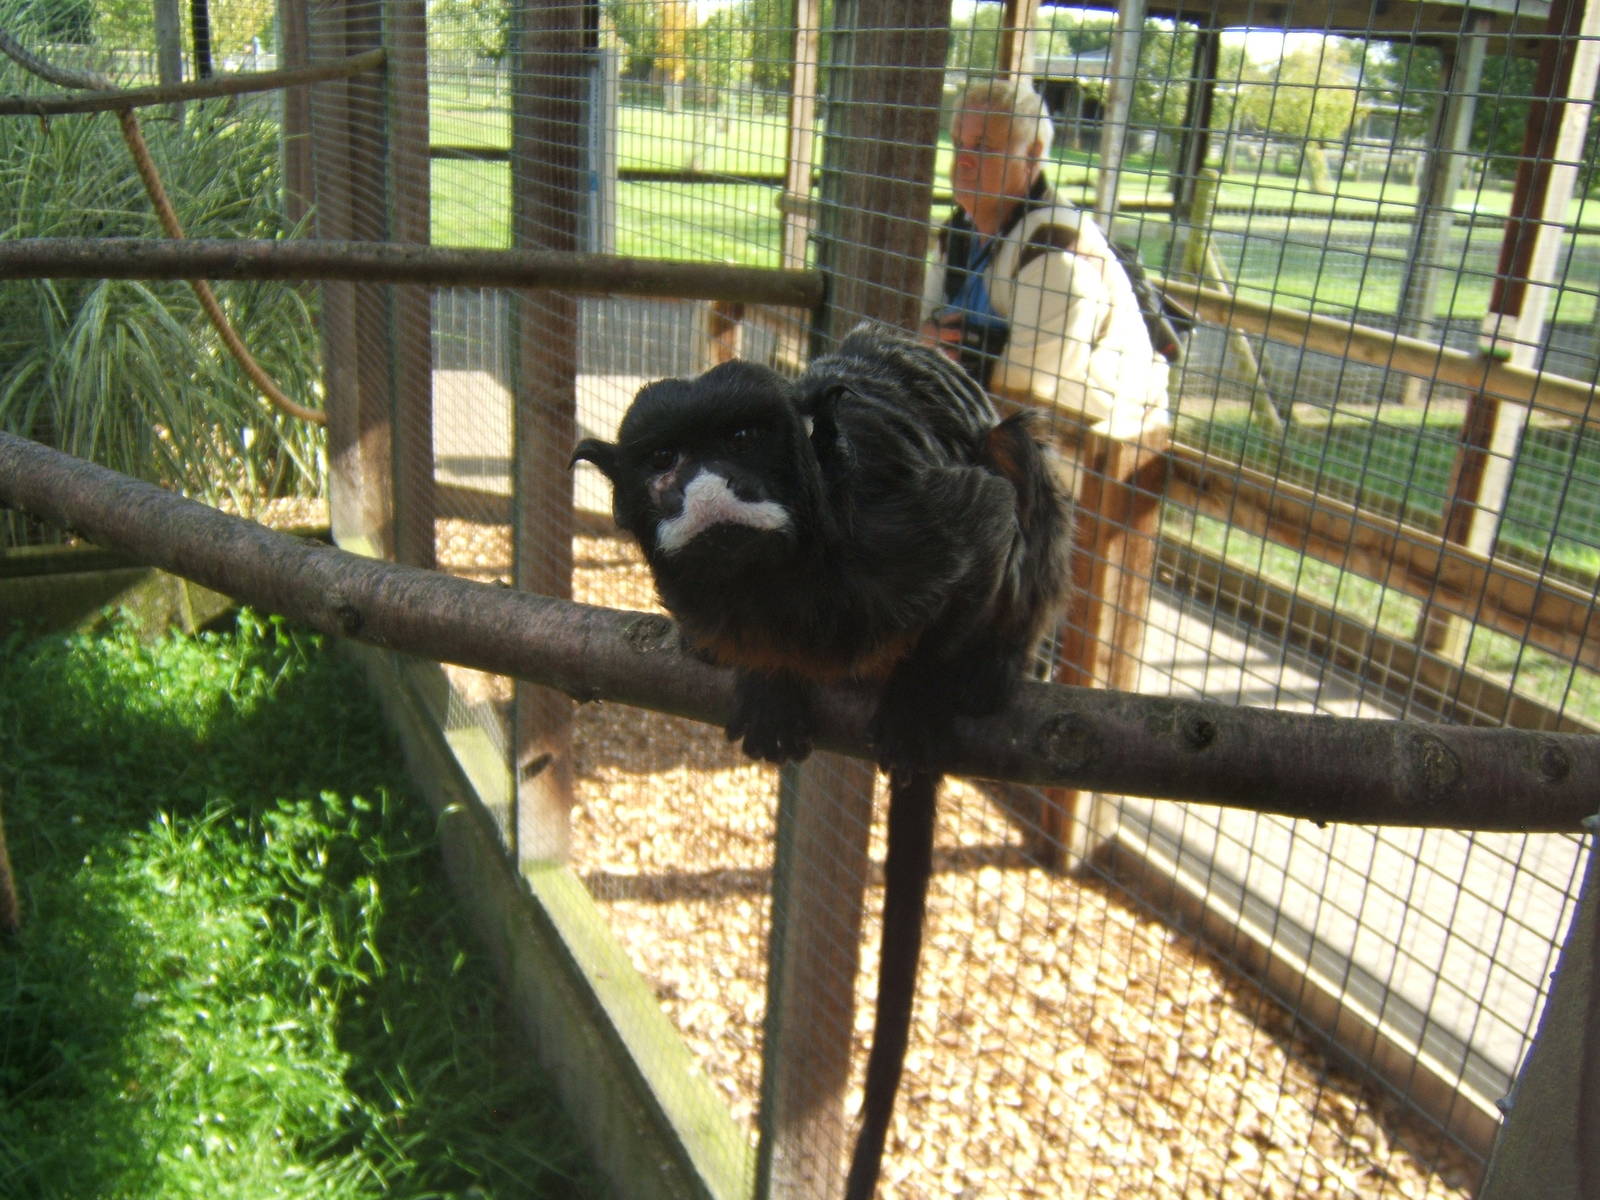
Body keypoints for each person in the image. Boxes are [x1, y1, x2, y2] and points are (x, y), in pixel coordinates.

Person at [920, 78, 1171, 445]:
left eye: (983, 147)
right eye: (959, 144)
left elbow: (1026, 390)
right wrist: (932, 346)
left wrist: (940, 358)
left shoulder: (1054, 249)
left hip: (1091, 453)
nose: (964, 161)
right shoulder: (958, 232)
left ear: (1032, 155)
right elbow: (917, 330)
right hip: (993, 440)